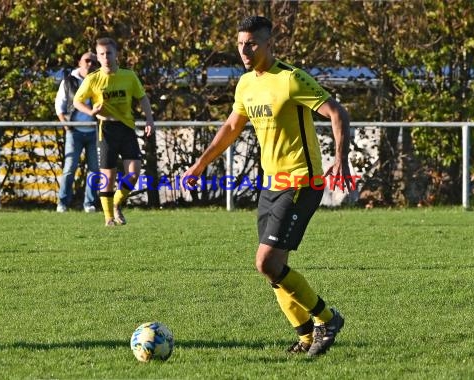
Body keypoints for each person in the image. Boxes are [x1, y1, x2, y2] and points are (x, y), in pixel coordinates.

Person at [183, 16, 352, 357]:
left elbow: (337, 112)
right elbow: (231, 126)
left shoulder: (290, 79)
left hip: (302, 182)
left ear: (270, 43)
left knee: (266, 263)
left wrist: (341, 158)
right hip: (271, 185)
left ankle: (327, 319)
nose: (245, 50)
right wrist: (201, 163)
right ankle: (306, 336)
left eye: (252, 43)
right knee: (273, 269)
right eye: (241, 44)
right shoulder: (245, 84)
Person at [73, 37, 155, 226]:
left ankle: (117, 203)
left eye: (109, 53)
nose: (105, 57)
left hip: (126, 127)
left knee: (134, 173)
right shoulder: (93, 79)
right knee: (108, 177)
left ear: (116, 54)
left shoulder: (128, 76)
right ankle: (108, 217)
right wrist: (91, 111)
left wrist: (149, 119)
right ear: (98, 57)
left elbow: (142, 97)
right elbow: (77, 101)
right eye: (101, 54)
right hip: (106, 129)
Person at [55, 52, 99, 213]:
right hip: (74, 132)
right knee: (69, 168)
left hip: (95, 132)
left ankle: (90, 203)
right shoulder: (69, 81)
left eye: (94, 62)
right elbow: (59, 106)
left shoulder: (100, 81)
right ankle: (63, 203)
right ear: (79, 62)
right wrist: (67, 126)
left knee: (95, 170)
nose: (90, 64)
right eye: (87, 61)